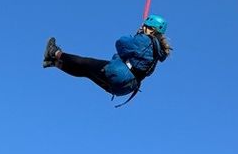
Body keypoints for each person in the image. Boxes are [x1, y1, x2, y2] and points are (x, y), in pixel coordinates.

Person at [42, 15, 172, 100]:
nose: (143, 27)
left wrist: (136, 35)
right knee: (86, 72)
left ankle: (55, 53)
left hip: (120, 74)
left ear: (152, 30)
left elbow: (121, 43)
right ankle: (55, 63)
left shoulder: (145, 40)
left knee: (85, 63)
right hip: (125, 88)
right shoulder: (157, 52)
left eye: (145, 26)